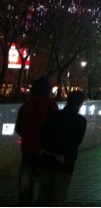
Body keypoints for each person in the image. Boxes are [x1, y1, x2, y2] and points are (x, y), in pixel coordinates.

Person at [37, 90, 87, 206]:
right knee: (59, 196)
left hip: (47, 160)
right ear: (80, 104)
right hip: (65, 163)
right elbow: (76, 142)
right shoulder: (80, 121)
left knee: (43, 195)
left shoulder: (53, 116)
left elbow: (43, 135)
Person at [15, 76, 59, 206]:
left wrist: (28, 136)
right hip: (45, 149)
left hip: (28, 147)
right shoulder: (51, 105)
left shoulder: (26, 106)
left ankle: (24, 203)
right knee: (44, 181)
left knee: (26, 179)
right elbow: (55, 126)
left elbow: (19, 128)